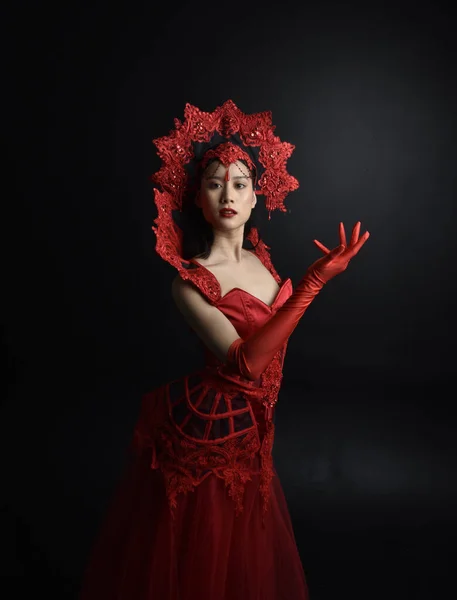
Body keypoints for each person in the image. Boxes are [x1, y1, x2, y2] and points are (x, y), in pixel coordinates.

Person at [79, 100, 370, 600]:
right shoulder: (189, 280)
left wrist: (303, 288)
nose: (228, 195)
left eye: (239, 184)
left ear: (257, 197)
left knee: (243, 555)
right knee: (206, 554)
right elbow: (246, 362)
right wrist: (313, 284)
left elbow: (276, 345)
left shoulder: (263, 261)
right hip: (212, 430)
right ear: (199, 197)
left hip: (258, 428)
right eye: (215, 184)